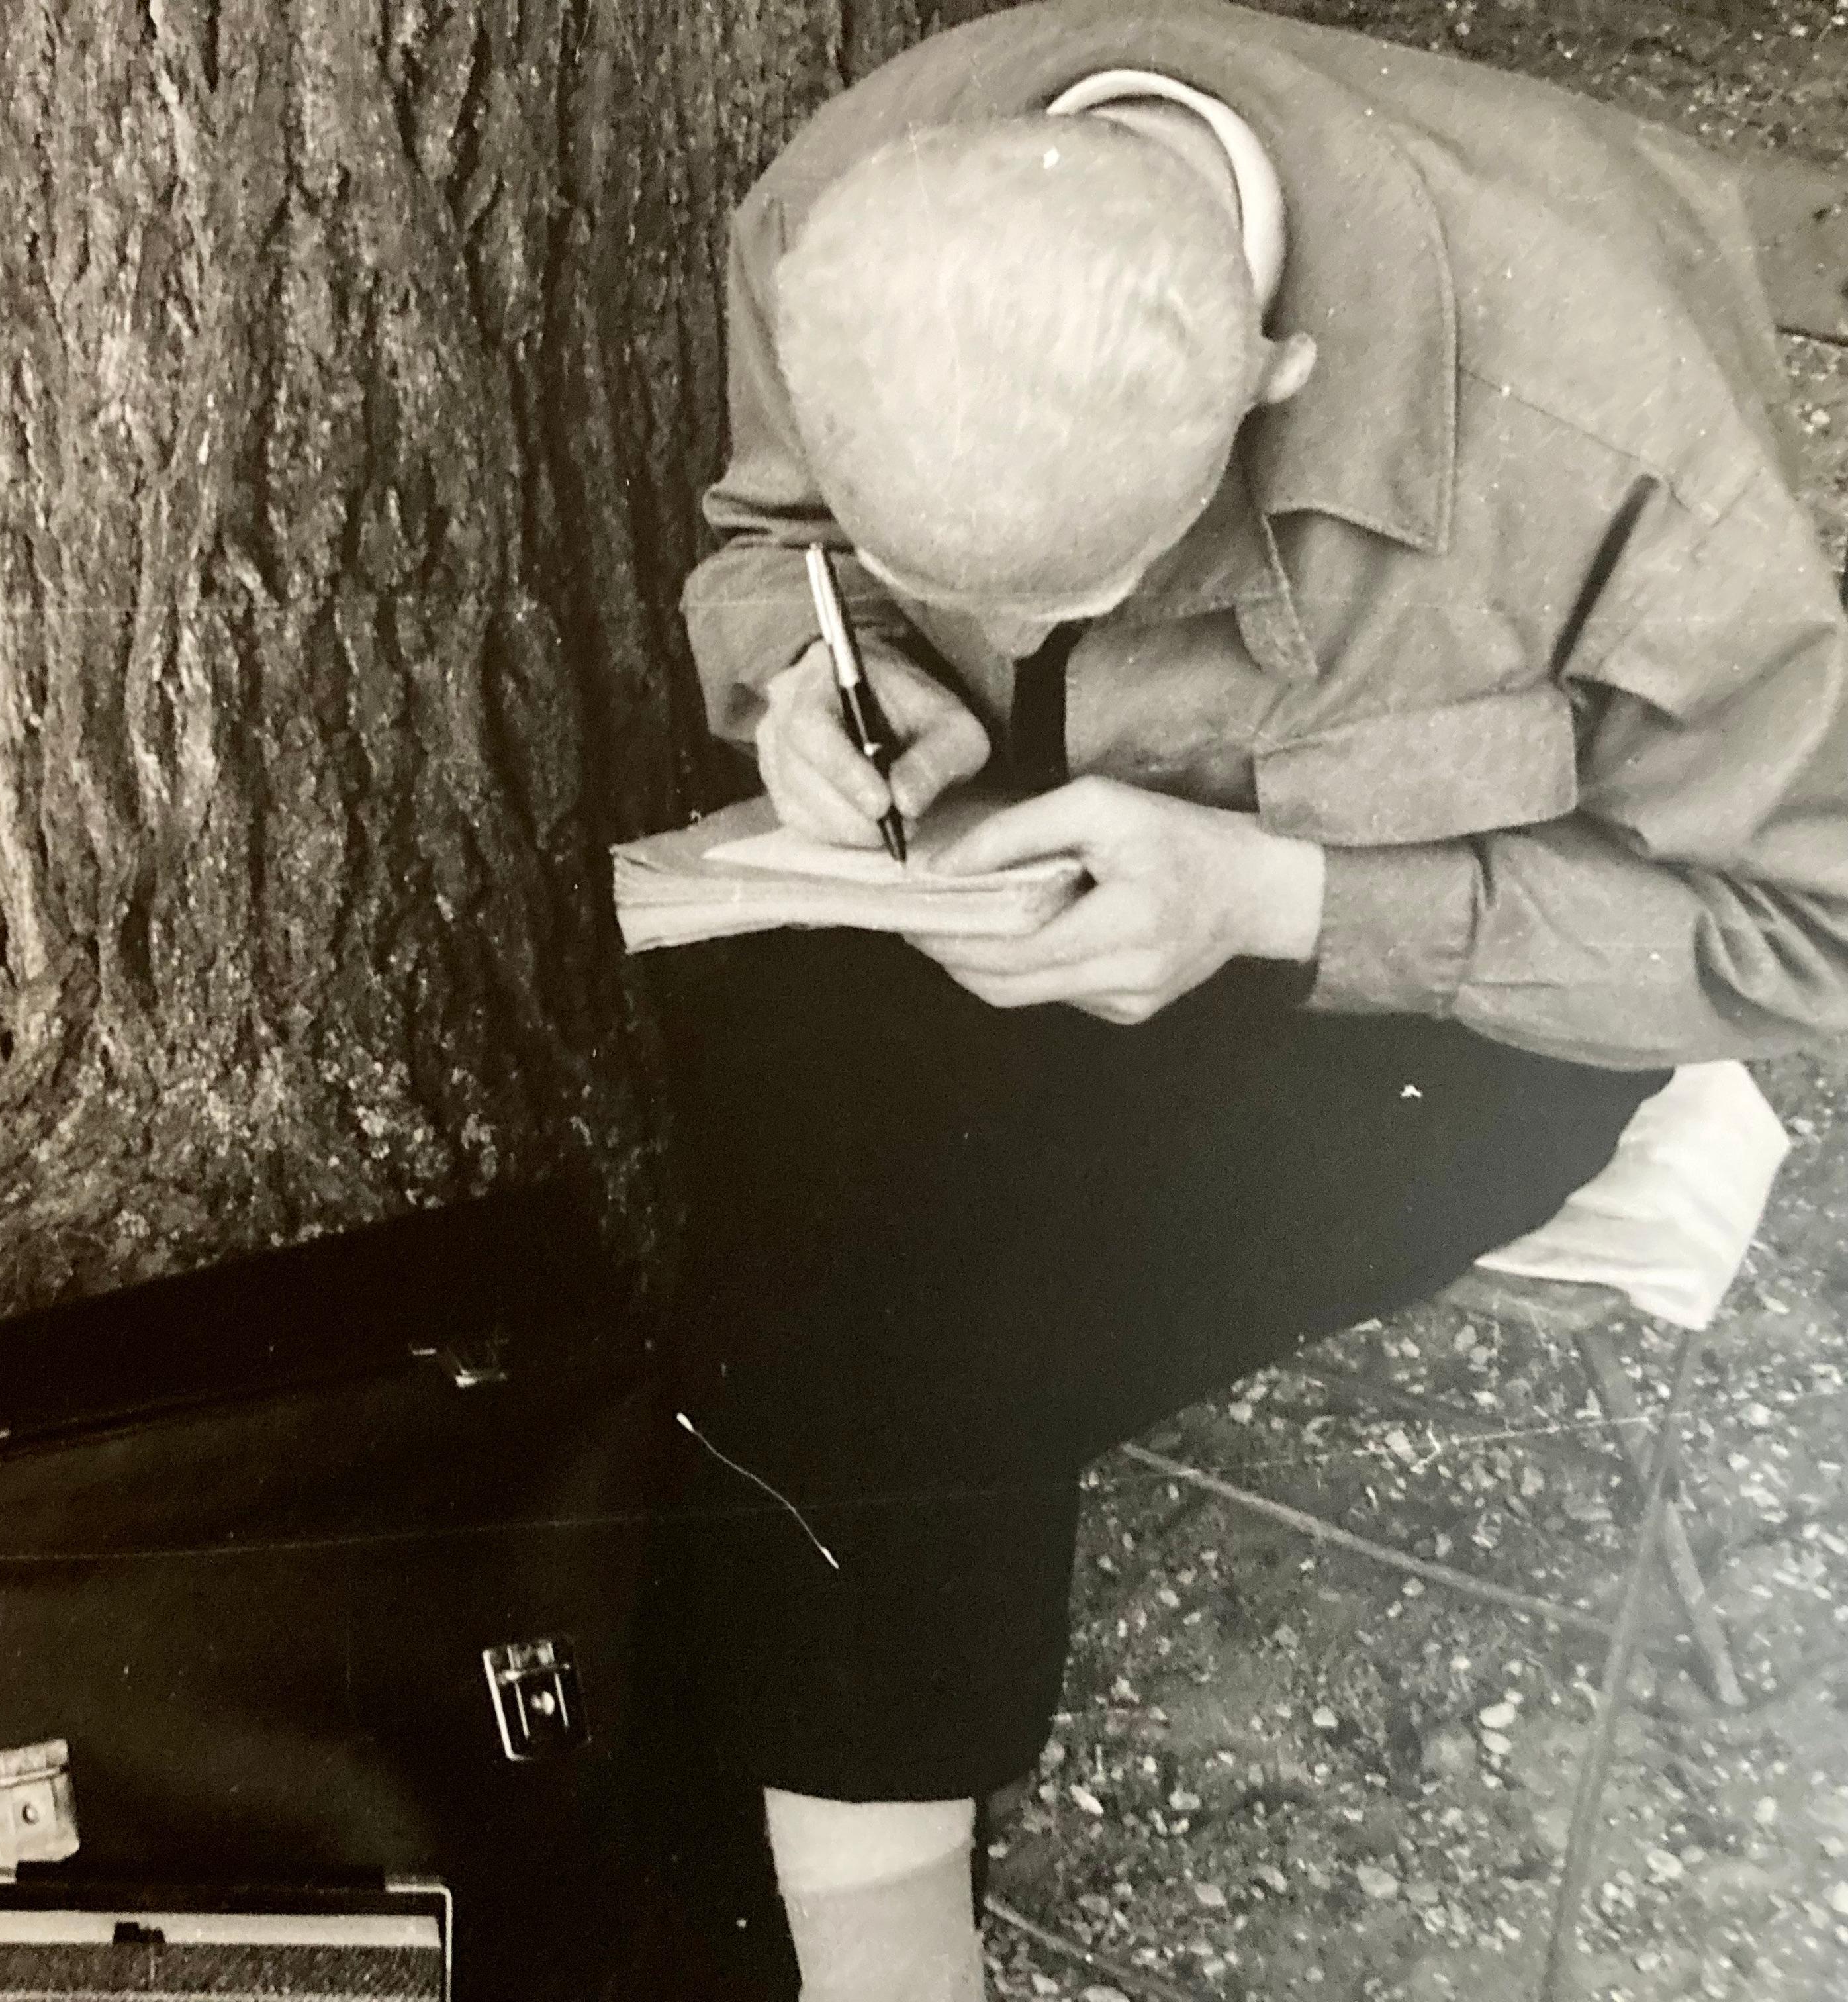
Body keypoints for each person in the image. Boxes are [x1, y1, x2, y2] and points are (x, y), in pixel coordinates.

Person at [642, 4, 1848, 1998]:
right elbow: (781, 548)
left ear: (1275, 384)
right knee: (812, 1211)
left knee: (894, 1346)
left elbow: (1808, 929)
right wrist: (824, 694)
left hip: (1459, 995)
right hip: (1027, 882)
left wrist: (1283, 899)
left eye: (1105, 580)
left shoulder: (1611, 439)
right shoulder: (845, 220)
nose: (1053, 646)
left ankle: (848, 1942)